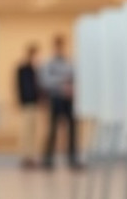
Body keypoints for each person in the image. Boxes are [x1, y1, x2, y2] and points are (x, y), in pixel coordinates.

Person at [40, 35, 79, 169]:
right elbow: (45, 81)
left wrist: (68, 85)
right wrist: (62, 82)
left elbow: (74, 78)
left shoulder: (69, 62)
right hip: (56, 99)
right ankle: (48, 160)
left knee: (72, 131)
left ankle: (72, 159)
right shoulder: (48, 63)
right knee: (52, 130)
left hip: (68, 100)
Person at [16, 43, 41, 168]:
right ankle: (26, 156)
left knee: (33, 131)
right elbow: (20, 86)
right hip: (27, 103)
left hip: (34, 103)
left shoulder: (35, 69)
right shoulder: (23, 69)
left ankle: (31, 155)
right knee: (26, 131)